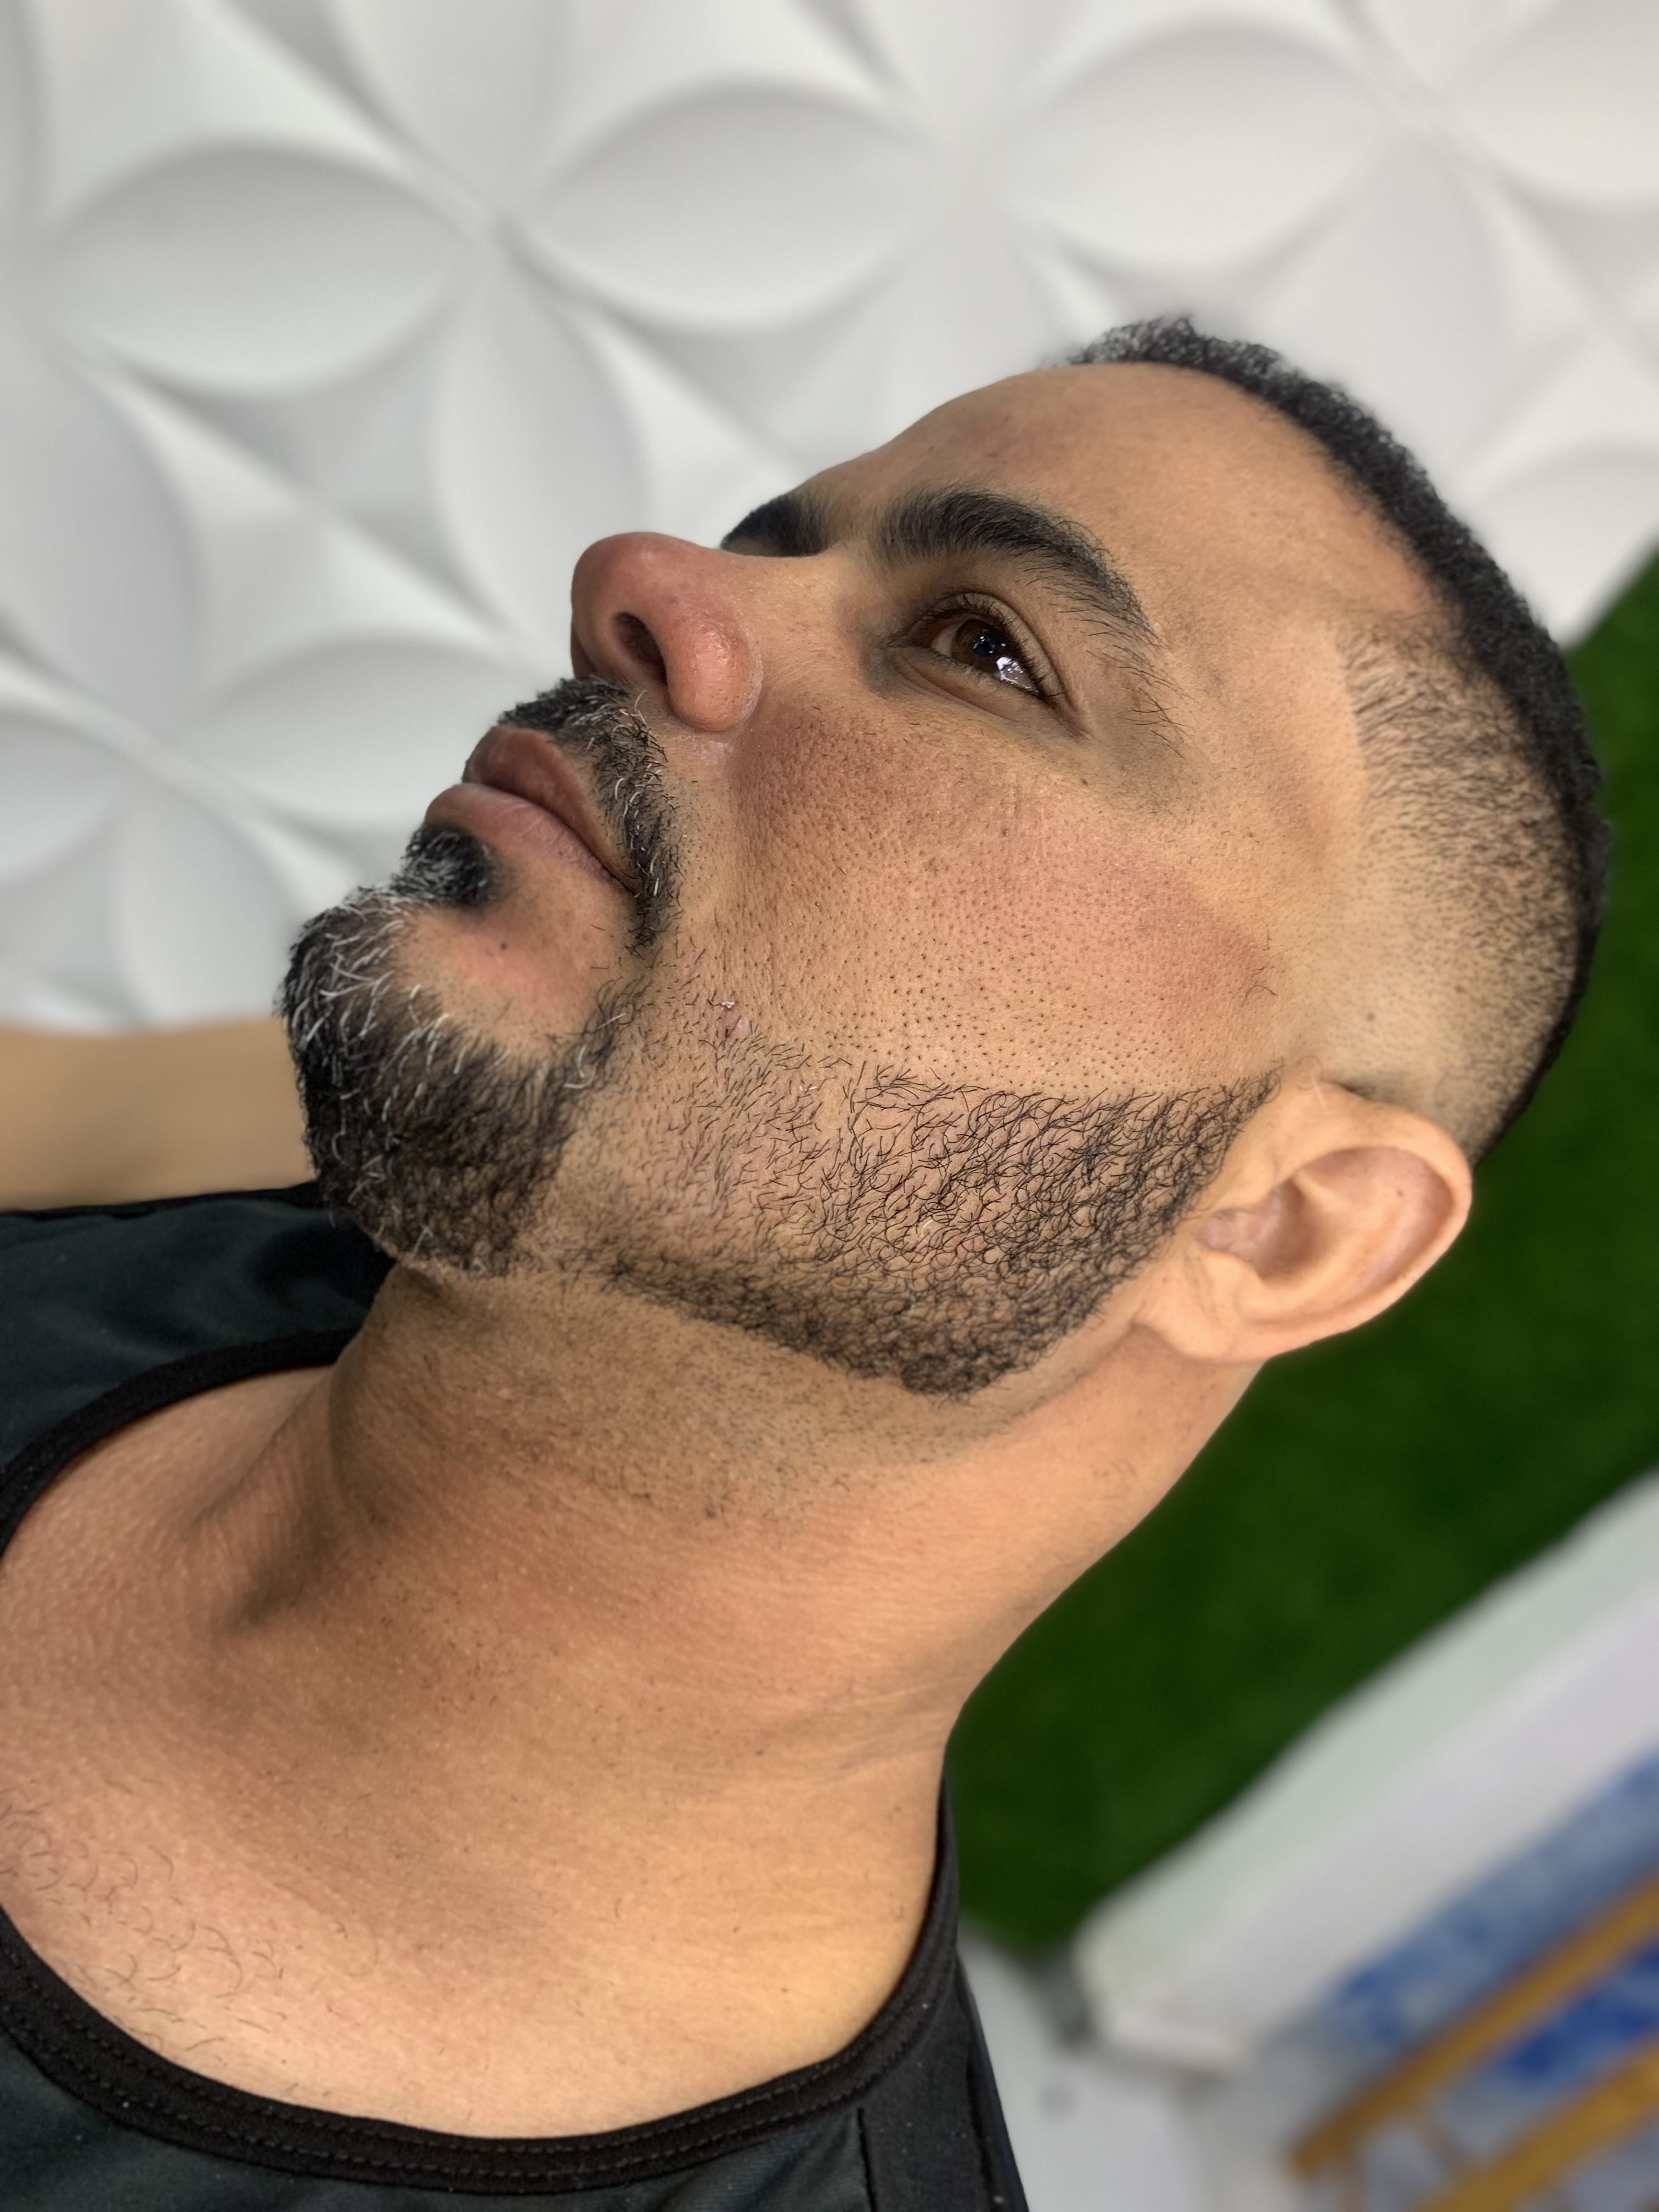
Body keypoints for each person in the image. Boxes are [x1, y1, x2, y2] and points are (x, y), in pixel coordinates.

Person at [0, 320, 1607, 2210]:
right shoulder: (242, 1151)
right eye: (777, 537)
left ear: (1283, 1225)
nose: (644, 580)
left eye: (987, 648)